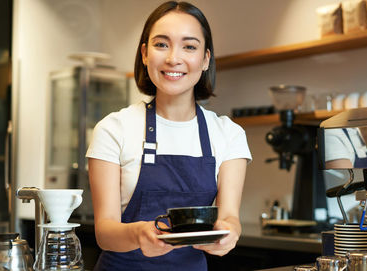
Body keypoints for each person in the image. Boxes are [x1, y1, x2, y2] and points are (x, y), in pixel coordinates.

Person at [85, 2, 252, 270]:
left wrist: (228, 234)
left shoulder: (229, 134)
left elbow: (229, 217)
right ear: (144, 54)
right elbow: (105, 233)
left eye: (189, 46)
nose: (174, 58)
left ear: (206, 59)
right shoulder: (113, 129)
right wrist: (139, 234)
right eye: (161, 44)